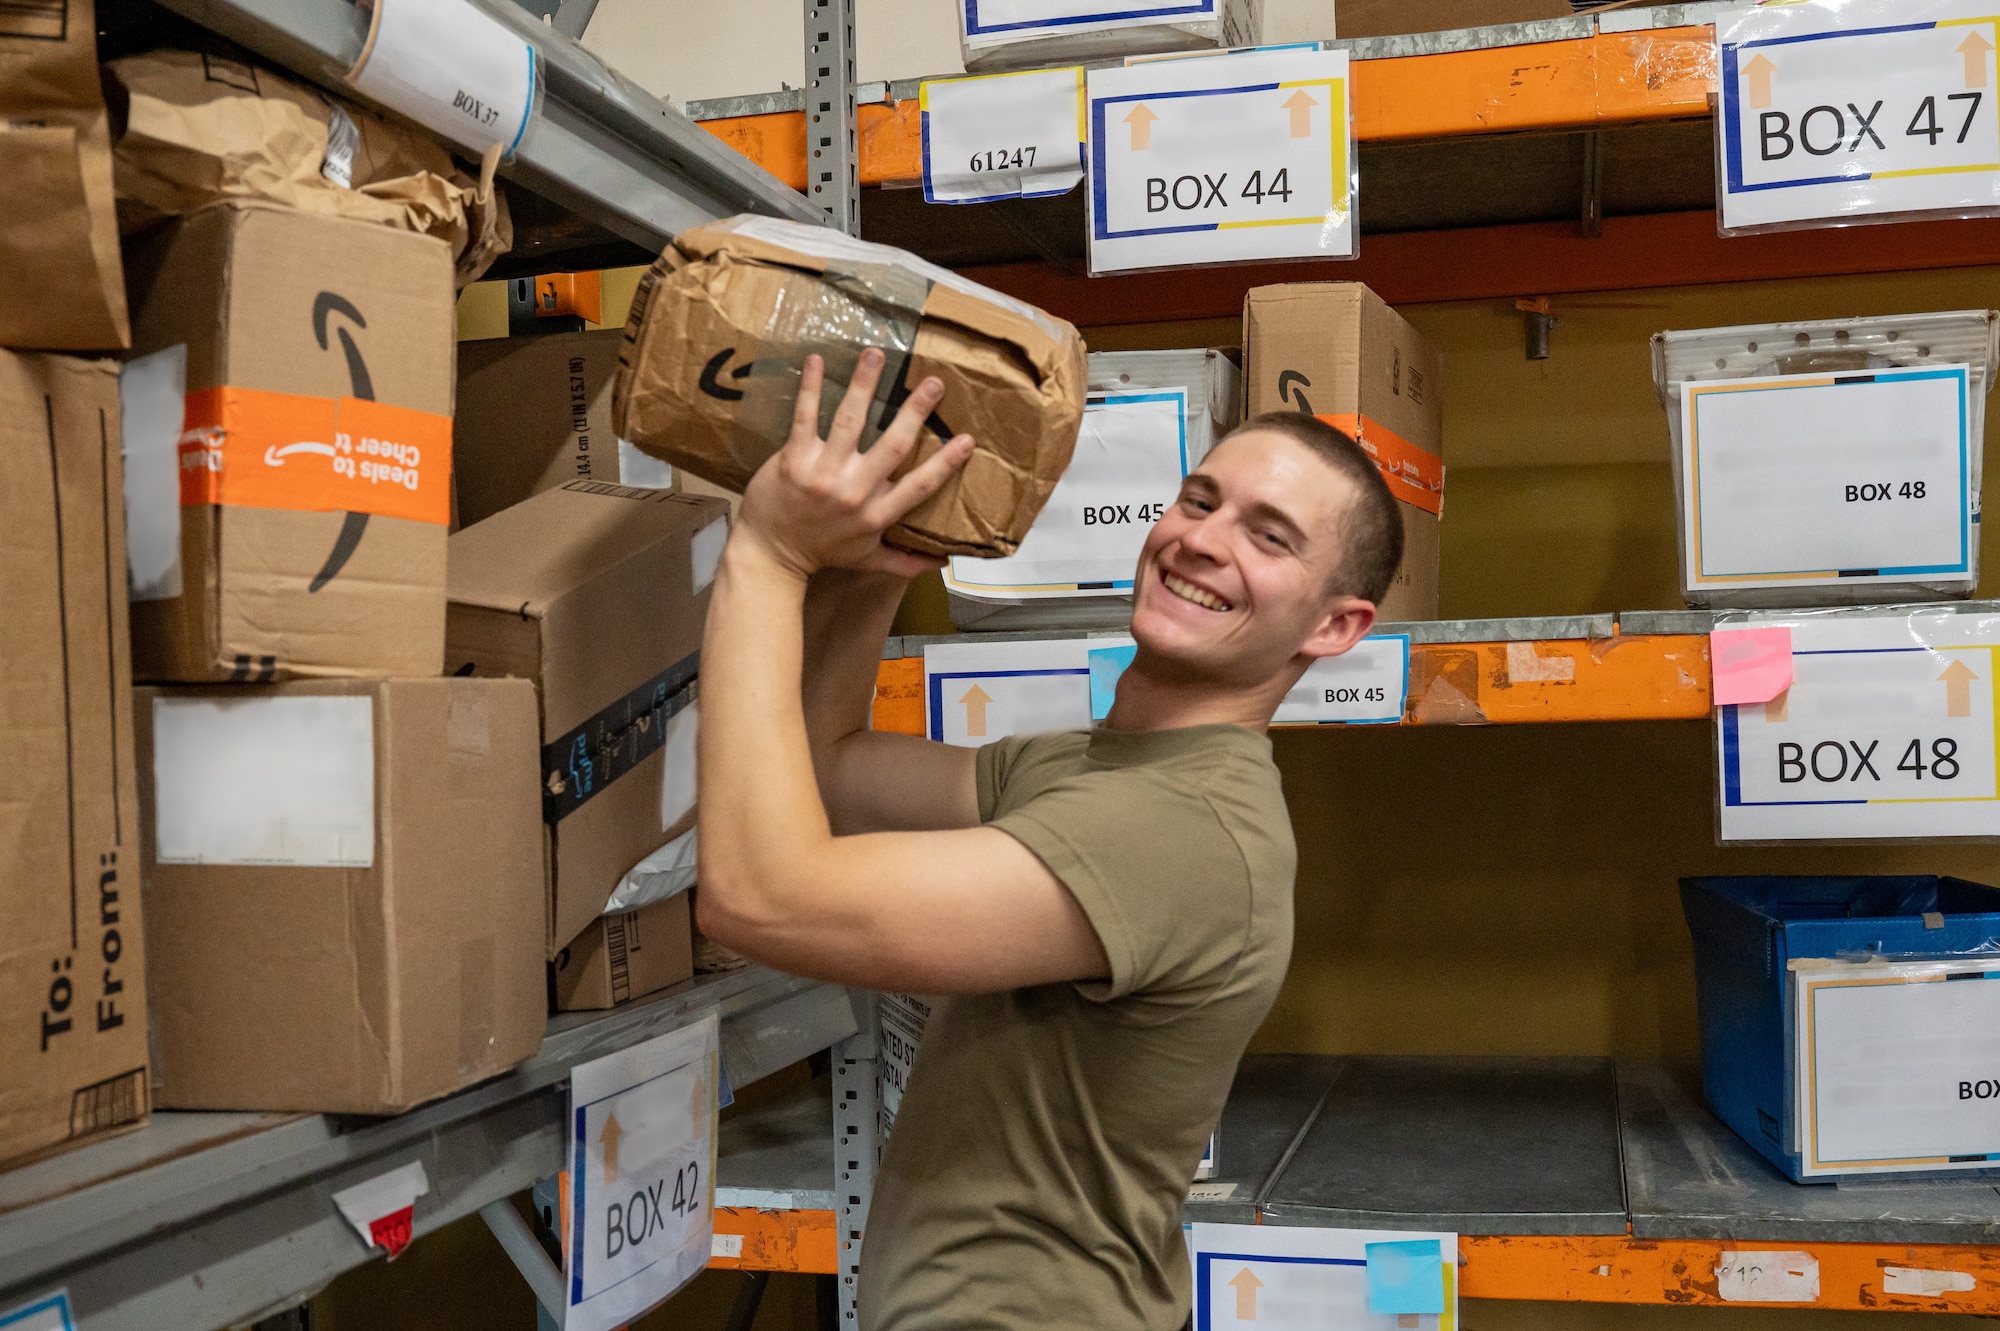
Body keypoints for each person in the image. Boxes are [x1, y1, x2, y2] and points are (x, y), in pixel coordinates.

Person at [697, 345, 1405, 1331]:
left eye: (1269, 536)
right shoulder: (1088, 766)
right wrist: (885, 558)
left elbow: (757, 894)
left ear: (1333, 627)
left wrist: (769, 554)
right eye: (1198, 501)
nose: (1202, 539)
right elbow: (829, 769)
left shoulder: (1180, 829)